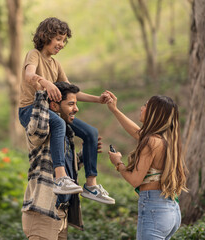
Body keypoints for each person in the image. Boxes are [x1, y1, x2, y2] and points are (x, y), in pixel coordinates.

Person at [19, 17, 114, 204]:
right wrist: (45, 83)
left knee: (91, 133)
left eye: (64, 40)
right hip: (30, 109)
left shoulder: (56, 65)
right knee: (59, 122)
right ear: (45, 36)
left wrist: (98, 99)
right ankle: (61, 177)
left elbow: (72, 92)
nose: (61, 44)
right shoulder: (34, 55)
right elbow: (29, 75)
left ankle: (91, 186)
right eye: (58, 39)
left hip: (51, 111)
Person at [106, 91, 188, 239]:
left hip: (154, 210)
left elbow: (135, 180)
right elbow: (137, 132)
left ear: (154, 113)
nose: (141, 108)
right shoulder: (165, 140)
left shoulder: (150, 142)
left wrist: (118, 163)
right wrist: (114, 110)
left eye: (145, 106)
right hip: (171, 211)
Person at [22, 82, 86, 240]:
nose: (76, 109)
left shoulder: (65, 135)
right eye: (71, 104)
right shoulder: (41, 129)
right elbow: (38, 126)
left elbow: (66, 168)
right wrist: (41, 95)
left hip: (60, 213)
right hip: (43, 212)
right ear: (54, 106)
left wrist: (84, 154)